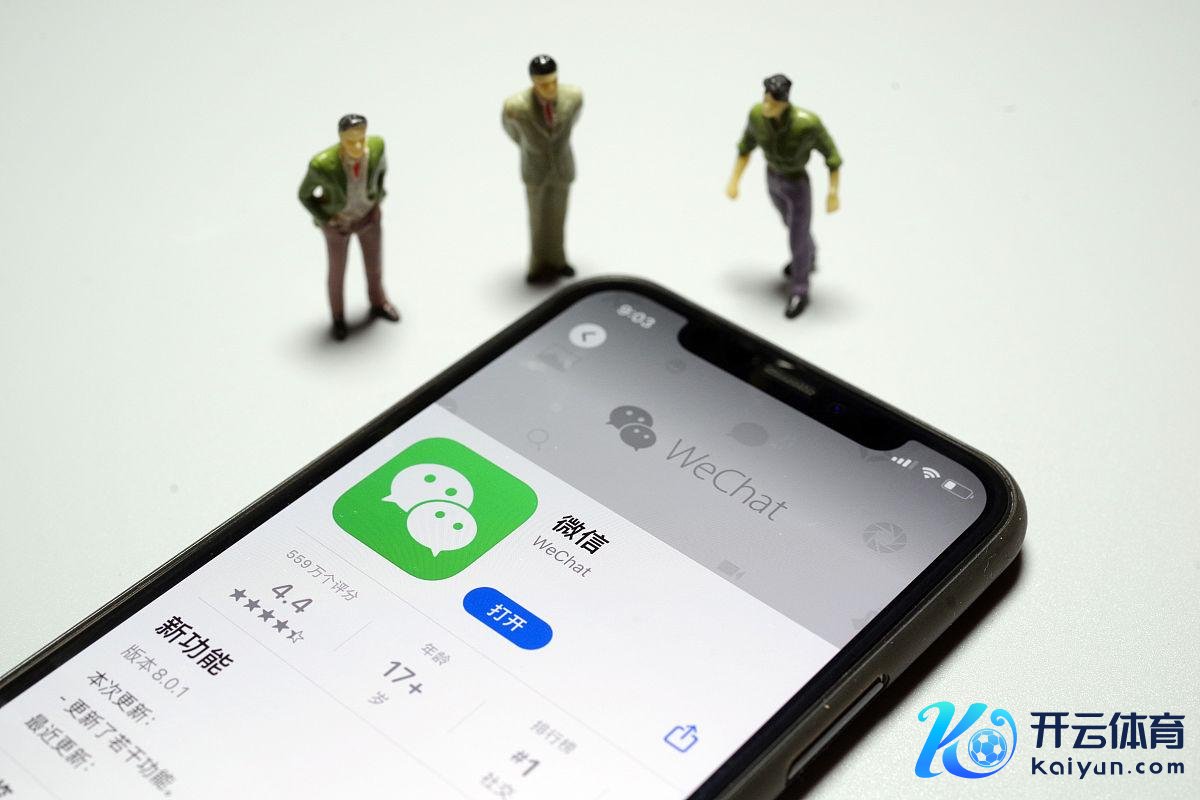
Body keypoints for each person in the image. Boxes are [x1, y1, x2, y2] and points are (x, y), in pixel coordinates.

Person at [726, 74, 842, 318]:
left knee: (796, 237)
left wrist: (833, 192)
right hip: (772, 180)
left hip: (797, 184)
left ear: (784, 102)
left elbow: (832, 157)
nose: (767, 106)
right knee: (791, 224)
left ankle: (800, 289)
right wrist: (735, 179)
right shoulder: (757, 116)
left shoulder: (807, 124)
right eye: (765, 99)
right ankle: (809, 256)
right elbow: (745, 147)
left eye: (772, 102)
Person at [298, 114, 400, 340]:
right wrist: (326, 219)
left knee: (374, 265)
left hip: (368, 217)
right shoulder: (322, 165)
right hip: (339, 224)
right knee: (337, 273)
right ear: (341, 138)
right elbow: (304, 195)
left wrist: (377, 199)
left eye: (361, 139)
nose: (357, 146)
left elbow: (381, 172)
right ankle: (338, 318)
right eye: (351, 141)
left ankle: (379, 302)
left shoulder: (376, 148)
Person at [502, 55, 584, 283]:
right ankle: (538, 265)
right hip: (535, 169)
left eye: (553, 81)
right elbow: (512, 132)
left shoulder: (573, 98)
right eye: (543, 84)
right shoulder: (516, 107)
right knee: (537, 219)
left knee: (558, 216)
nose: (550, 88)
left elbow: (572, 121)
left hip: (562, 166)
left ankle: (558, 259)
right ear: (533, 82)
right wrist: (533, 149)